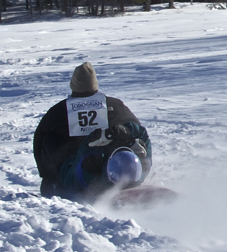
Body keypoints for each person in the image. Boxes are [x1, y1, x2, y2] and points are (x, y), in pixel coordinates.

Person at [33, 62, 152, 200]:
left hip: (81, 171)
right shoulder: (115, 105)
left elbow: (39, 141)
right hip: (112, 162)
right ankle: (132, 167)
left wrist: (48, 177)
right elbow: (138, 128)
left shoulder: (59, 112)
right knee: (130, 136)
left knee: (55, 142)